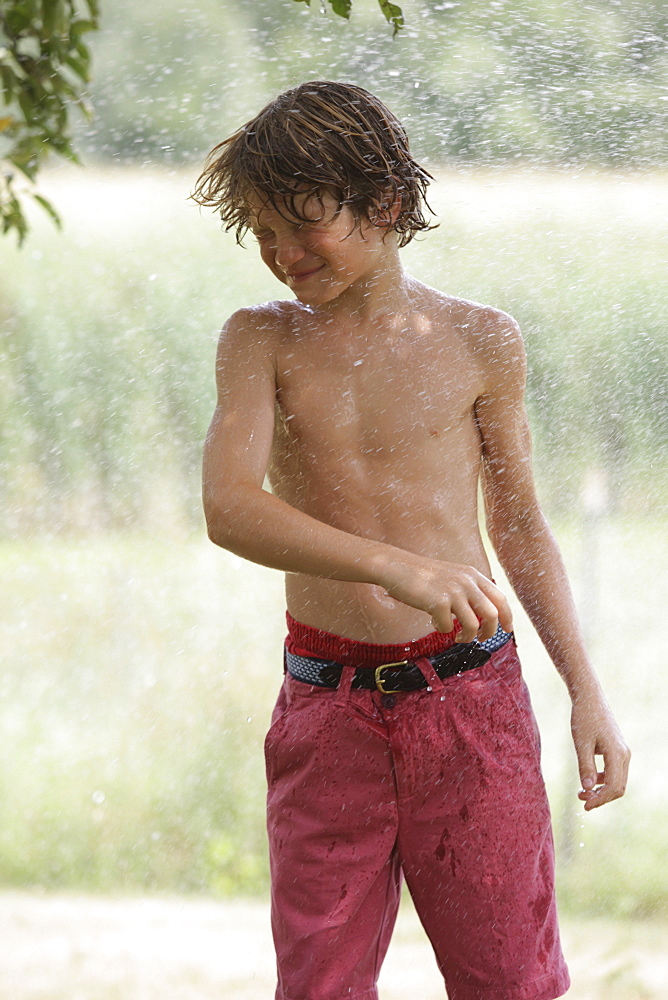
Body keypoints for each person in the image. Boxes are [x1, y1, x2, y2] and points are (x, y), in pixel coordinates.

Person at [192, 81, 630, 1000]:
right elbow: (229, 507)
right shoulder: (258, 342)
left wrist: (586, 691)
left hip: (472, 707)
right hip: (327, 711)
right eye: (261, 233)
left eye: (300, 227)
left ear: (384, 204)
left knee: (511, 982)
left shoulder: (479, 340)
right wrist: (397, 567)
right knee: (320, 986)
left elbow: (518, 526)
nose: (279, 255)